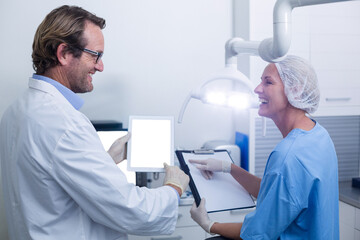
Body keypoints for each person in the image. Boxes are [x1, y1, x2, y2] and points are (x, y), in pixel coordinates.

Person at [0, 5, 189, 240]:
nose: (100, 66)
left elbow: (49, 184)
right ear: (64, 53)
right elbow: (131, 210)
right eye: (95, 55)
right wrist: (174, 188)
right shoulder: (65, 123)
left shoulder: (15, 111)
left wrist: (107, 159)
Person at [189, 55, 339, 239]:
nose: (257, 89)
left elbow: (257, 234)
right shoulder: (319, 135)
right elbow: (279, 196)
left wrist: (209, 224)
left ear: (296, 91)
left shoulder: (287, 155)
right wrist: (229, 168)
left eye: (268, 82)